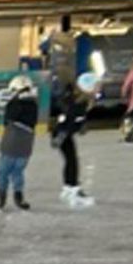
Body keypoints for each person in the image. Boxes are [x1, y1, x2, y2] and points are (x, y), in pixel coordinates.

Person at [0, 73, 38, 210]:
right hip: (26, 145)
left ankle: (1, 195)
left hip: (11, 143)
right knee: (18, 171)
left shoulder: (14, 104)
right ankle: (18, 196)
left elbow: (7, 121)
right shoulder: (33, 104)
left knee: (3, 171)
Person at [51, 72, 95, 208]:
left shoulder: (78, 100)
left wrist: (80, 126)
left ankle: (69, 188)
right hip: (62, 134)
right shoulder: (78, 103)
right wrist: (61, 135)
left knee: (71, 160)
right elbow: (67, 120)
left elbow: (73, 120)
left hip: (63, 134)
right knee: (72, 161)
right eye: (96, 86)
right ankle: (72, 189)